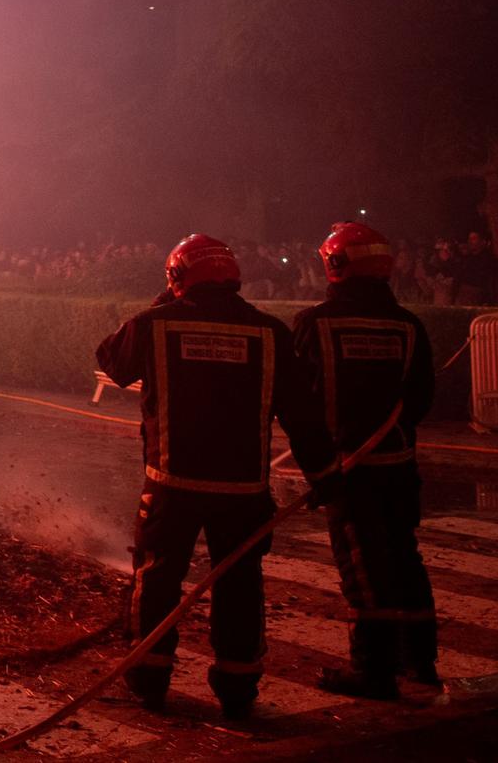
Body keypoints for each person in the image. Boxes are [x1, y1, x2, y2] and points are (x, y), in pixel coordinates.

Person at [97, 234, 340, 718]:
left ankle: (149, 681)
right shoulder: (271, 332)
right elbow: (303, 415)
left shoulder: (155, 323)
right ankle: (237, 688)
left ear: (176, 277)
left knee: (159, 580)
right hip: (244, 492)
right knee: (241, 584)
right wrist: (324, 475)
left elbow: (111, 361)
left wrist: (162, 303)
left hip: (172, 486)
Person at [293, 222, 438, 696]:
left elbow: (299, 404)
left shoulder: (314, 324)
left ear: (335, 266)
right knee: (404, 560)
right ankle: (420, 664)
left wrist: (319, 470)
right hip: (398, 467)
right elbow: (420, 402)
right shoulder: (408, 326)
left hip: (346, 471)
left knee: (363, 567)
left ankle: (372, 671)